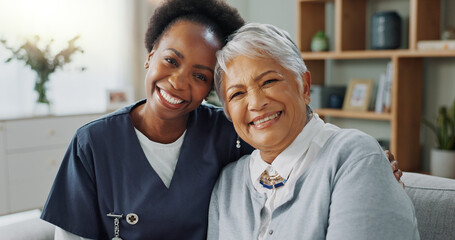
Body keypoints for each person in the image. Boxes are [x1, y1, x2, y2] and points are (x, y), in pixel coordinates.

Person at [40, 1, 402, 239]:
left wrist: (365, 157)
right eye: (171, 60)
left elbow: (294, 136)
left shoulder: (226, 131)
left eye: (200, 75)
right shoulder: (93, 144)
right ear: (150, 57)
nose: (180, 82)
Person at [208, 23, 419, 239]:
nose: (256, 103)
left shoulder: (353, 157)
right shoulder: (228, 183)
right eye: (237, 94)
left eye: (269, 81)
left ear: (305, 87)